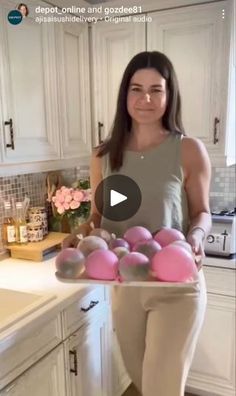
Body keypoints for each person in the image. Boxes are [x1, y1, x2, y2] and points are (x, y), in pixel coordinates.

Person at [63, 51, 212, 396]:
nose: (146, 99)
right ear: (124, 95)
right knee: (144, 383)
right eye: (136, 89)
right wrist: (80, 234)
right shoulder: (103, 155)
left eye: (156, 89)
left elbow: (202, 211)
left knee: (162, 388)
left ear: (170, 95)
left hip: (176, 287)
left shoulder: (188, 150)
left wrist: (197, 235)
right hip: (125, 287)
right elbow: (99, 218)